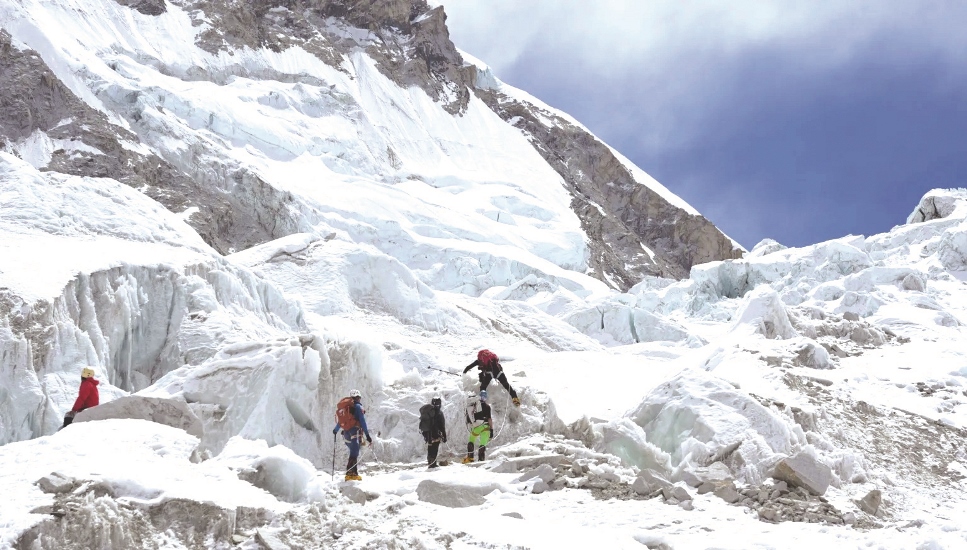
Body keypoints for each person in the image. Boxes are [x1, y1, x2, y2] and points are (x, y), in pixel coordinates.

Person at [332, 389, 373, 481]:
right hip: (354, 431)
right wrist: (367, 435)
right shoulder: (358, 407)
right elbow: (362, 421)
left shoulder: (347, 408)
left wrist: (335, 430)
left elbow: (341, 422)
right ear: (358, 397)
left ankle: (352, 473)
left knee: (353, 452)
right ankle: (351, 474)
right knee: (355, 452)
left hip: (346, 433)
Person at [463, 390, 492, 464]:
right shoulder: (487, 406)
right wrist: (491, 429)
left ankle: (470, 458)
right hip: (485, 427)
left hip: (476, 427)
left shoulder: (475, 405)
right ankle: (481, 460)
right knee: (483, 443)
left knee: (471, 441)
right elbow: (489, 419)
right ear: (485, 397)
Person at [419, 395, 447, 468]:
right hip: (435, 433)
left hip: (427, 433)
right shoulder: (439, 413)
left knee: (430, 447)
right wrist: (444, 436)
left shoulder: (429, 412)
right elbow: (442, 426)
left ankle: (430, 462)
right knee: (435, 448)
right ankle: (433, 464)